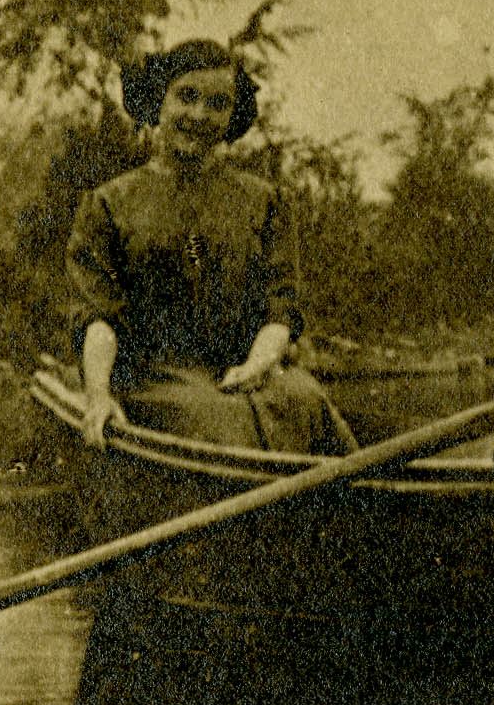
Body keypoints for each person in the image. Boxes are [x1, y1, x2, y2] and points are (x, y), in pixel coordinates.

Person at [67, 40, 354, 454]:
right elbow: (96, 317)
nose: (199, 115)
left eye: (218, 104)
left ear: (231, 116)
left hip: (249, 370)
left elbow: (280, 305)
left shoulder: (264, 201)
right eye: (187, 97)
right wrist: (97, 396)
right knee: (221, 422)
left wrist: (260, 363)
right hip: (158, 383)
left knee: (304, 402)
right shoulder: (110, 203)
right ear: (158, 101)